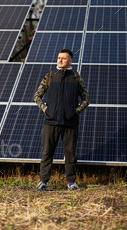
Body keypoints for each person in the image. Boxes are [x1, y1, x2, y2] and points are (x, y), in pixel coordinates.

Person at [33, 49, 90, 191]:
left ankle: (71, 183)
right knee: (47, 153)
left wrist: (75, 112)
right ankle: (43, 182)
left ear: (70, 61)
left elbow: (86, 99)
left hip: (70, 123)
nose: (60, 60)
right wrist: (46, 110)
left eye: (63, 58)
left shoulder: (76, 77)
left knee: (70, 153)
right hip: (50, 123)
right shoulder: (50, 76)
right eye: (59, 58)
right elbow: (37, 96)